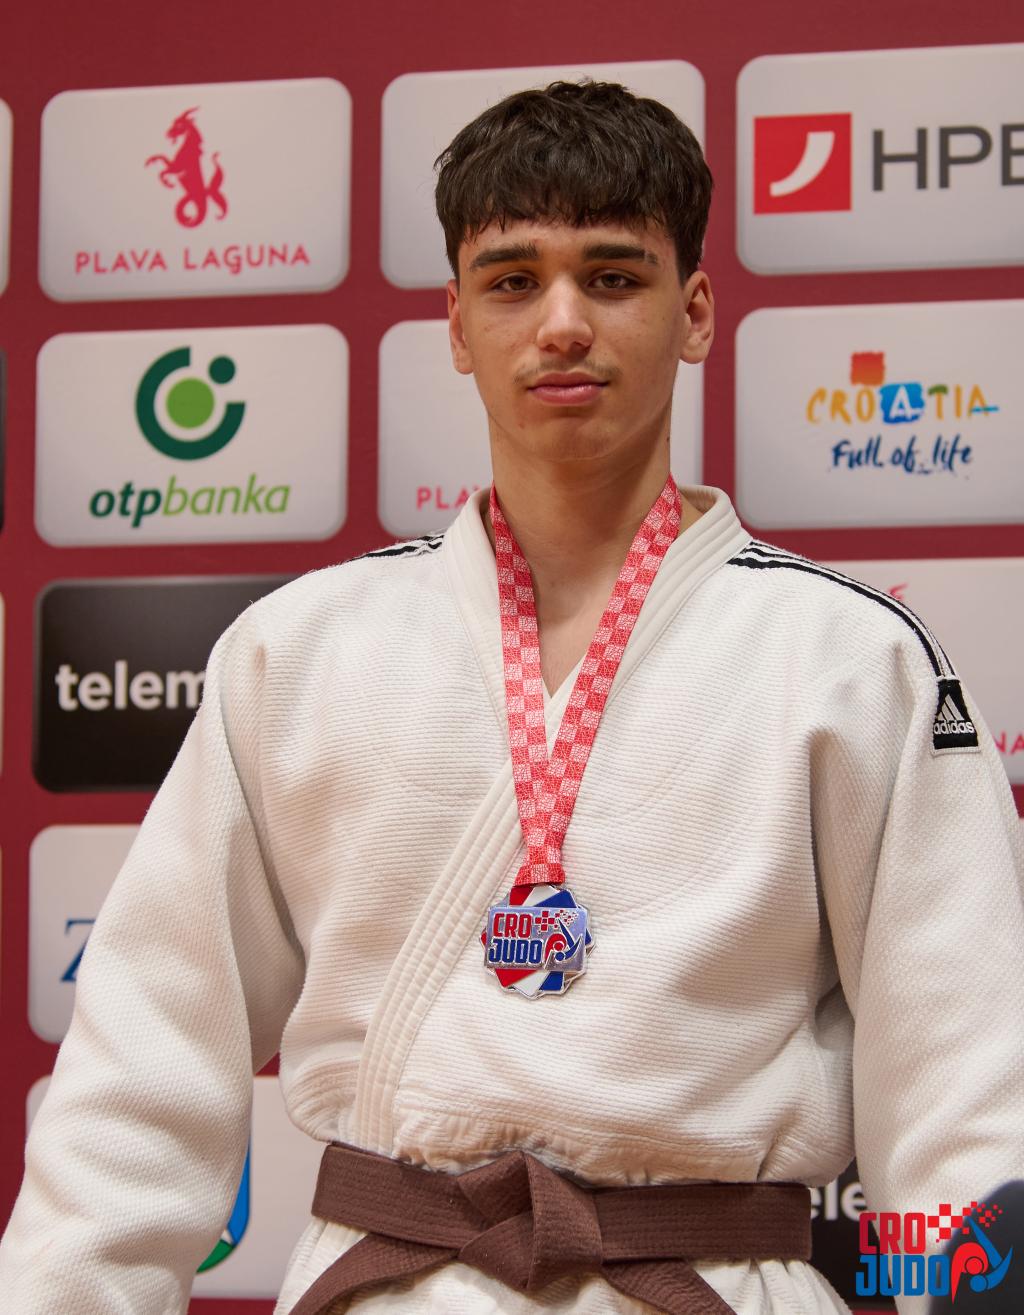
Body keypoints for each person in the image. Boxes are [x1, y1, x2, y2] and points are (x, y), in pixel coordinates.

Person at [1, 78, 1022, 1315]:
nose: (562, 323)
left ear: (694, 312)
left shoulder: (853, 661)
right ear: (454, 321)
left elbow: (966, 1103)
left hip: (708, 1284)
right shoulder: (302, 649)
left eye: (613, 276)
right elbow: (139, 1070)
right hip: (390, 1287)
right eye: (512, 280)